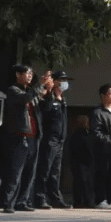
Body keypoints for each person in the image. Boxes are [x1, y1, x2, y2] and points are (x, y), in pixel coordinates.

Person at [0, 66, 52, 213]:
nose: (30, 76)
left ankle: (22, 201)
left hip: (33, 138)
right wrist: (40, 85)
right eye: (27, 73)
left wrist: (48, 92)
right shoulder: (13, 91)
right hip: (19, 136)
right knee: (15, 172)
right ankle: (8, 202)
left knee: (29, 172)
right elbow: (25, 99)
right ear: (18, 74)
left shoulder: (31, 92)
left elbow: (45, 107)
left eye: (31, 73)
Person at [32, 71, 71, 209]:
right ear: (54, 82)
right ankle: (39, 198)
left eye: (65, 80)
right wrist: (49, 94)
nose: (64, 83)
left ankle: (55, 198)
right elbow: (45, 112)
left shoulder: (63, 100)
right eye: (61, 80)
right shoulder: (49, 98)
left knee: (56, 172)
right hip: (49, 139)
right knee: (44, 170)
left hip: (60, 140)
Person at [68, 115, 94, 208]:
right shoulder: (77, 135)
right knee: (80, 182)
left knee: (87, 182)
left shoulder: (88, 133)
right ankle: (79, 201)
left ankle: (87, 201)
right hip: (79, 162)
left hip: (86, 163)